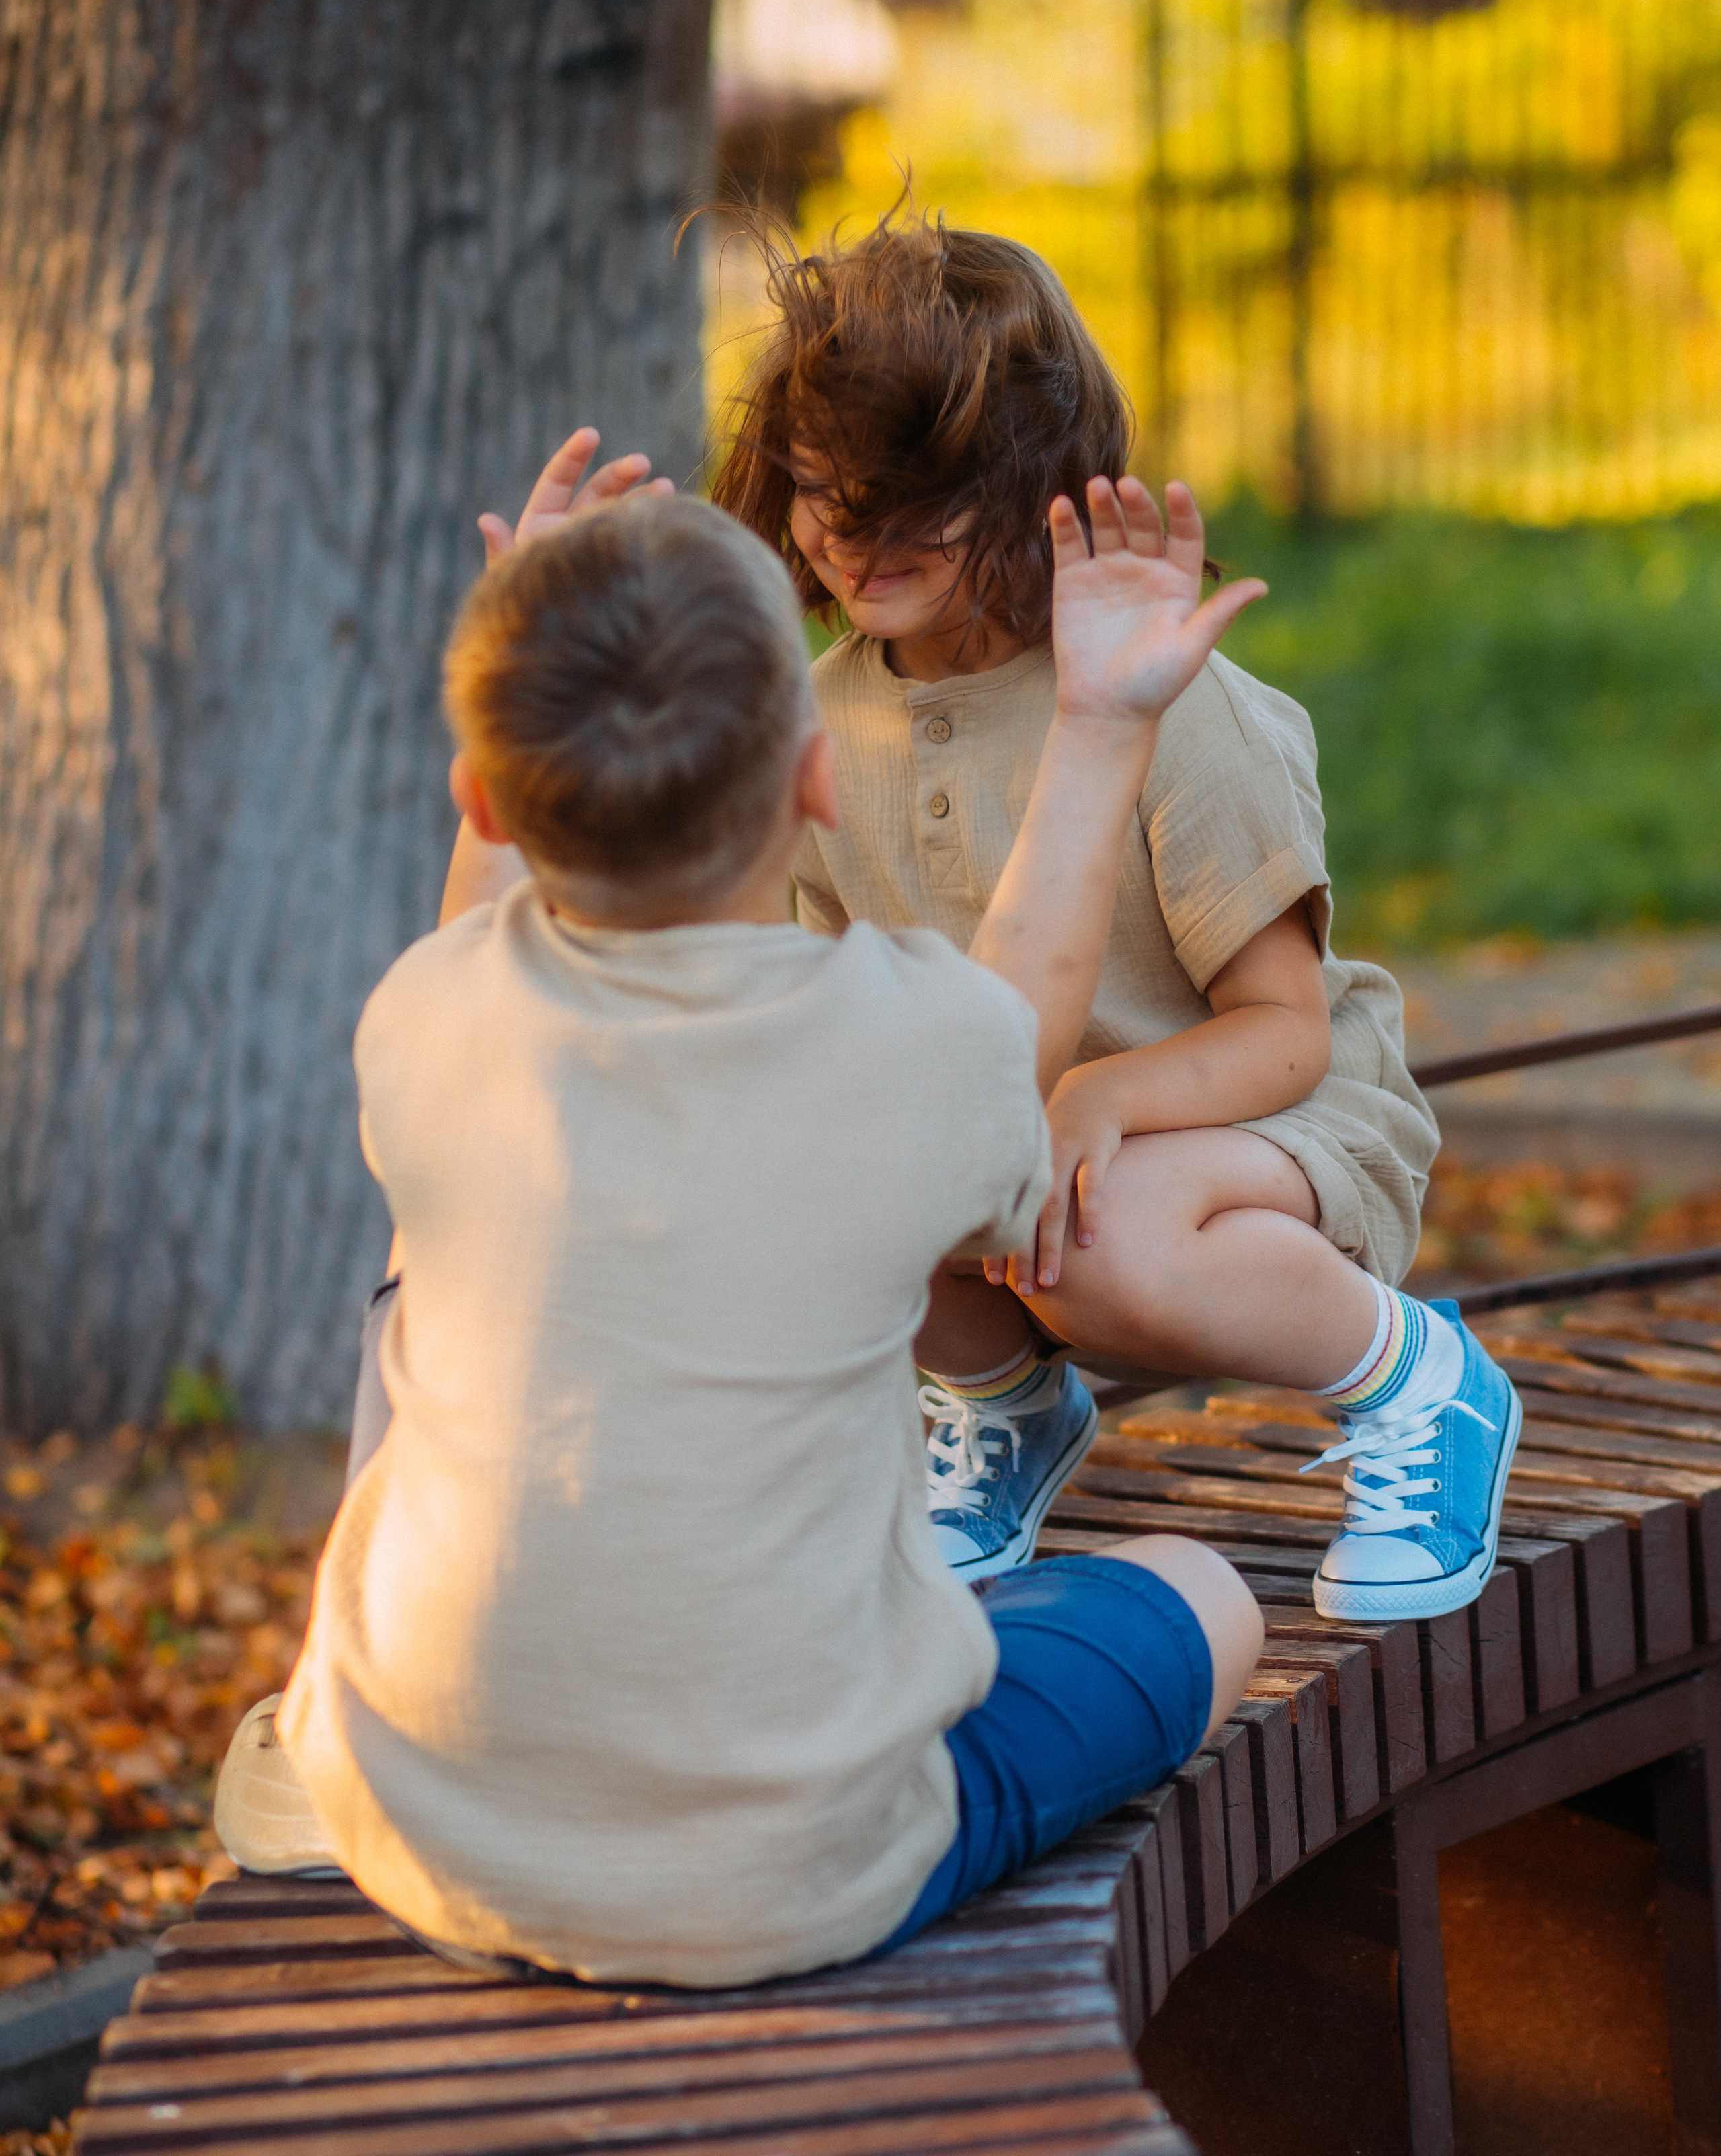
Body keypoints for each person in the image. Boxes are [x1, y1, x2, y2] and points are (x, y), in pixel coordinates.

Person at [215, 473, 1265, 1987]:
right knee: (1201, 1600)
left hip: (429, 1841)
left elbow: (472, 935)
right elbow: (1018, 1018)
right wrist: (1102, 720)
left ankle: (351, 1726)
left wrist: (533, 646)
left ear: (484, 801)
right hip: (792, 1880)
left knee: (422, 1278)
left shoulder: (426, 1025)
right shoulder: (905, 1054)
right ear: (818, 780)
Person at [710, 209, 1521, 1625]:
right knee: (821, 1162)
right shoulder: (826, 719)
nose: (850, 534)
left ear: (1032, 484)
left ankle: (1417, 1382)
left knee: (1095, 1240)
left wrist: (1098, 1097)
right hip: (1030, 1141)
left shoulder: (1168, 701)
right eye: (821, 490)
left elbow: (1285, 1033)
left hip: (1268, 1118)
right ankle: (1000, 1403)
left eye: (906, 499)